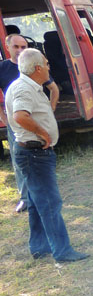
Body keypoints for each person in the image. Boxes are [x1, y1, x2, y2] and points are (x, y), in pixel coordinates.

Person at [5, 49, 88, 262]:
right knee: (50, 202)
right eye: (46, 63)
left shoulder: (27, 85)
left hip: (31, 153)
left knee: (35, 200)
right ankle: (62, 251)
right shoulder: (24, 88)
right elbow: (20, 116)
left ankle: (40, 247)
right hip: (34, 153)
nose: (49, 67)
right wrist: (42, 133)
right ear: (38, 68)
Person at [1, 33, 60, 213]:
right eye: (16, 47)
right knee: (19, 161)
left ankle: (42, 194)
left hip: (34, 121)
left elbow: (53, 88)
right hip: (17, 124)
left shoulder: (34, 66)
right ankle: (25, 198)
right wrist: (4, 119)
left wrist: (50, 109)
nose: (20, 50)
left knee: (42, 160)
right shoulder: (3, 68)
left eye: (23, 47)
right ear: (7, 47)